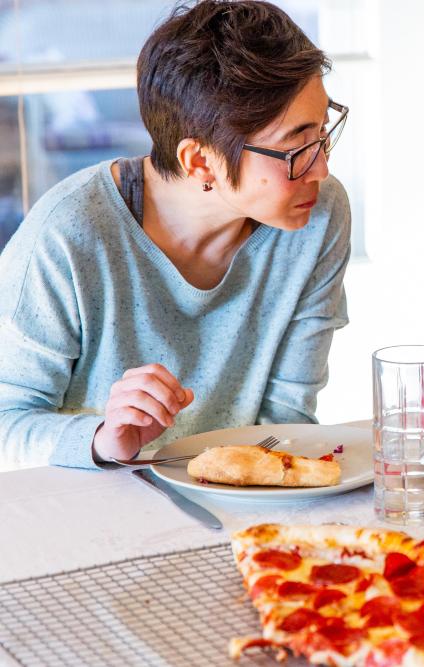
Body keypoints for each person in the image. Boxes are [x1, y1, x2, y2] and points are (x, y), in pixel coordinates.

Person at [0, 0, 351, 469]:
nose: (322, 169)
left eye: (323, 132)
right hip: (87, 514)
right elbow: (6, 426)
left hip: (241, 507)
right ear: (199, 161)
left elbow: (286, 421)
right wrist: (103, 438)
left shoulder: (317, 215)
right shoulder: (68, 234)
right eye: (297, 148)